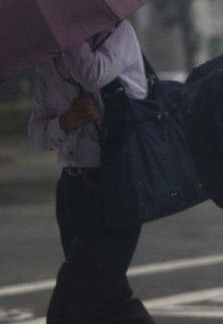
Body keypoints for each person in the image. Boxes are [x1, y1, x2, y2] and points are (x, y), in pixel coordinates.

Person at [28, 20, 155, 324]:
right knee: (105, 293)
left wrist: (67, 35)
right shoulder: (49, 61)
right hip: (72, 187)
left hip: (118, 183)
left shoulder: (118, 34)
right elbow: (36, 132)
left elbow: (93, 73)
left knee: (75, 290)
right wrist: (65, 122)